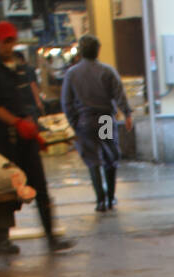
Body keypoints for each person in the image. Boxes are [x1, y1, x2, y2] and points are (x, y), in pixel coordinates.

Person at [0, 21, 73, 253]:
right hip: (5, 138)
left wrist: (32, 124)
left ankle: (51, 237)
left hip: (26, 137)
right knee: (6, 190)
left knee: (40, 187)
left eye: (12, 40)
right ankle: (2, 240)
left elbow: (29, 100)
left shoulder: (21, 66)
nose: (9, 45)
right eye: (5, 41)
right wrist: (16, 122)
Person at [61, 34, 132, 212]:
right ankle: (111, 197)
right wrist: (127, 113)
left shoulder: (72, 74)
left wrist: (74, 122)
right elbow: (119, 94)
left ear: (80, 51)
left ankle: (100, 199)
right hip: (105, 119)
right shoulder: (107, 71)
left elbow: (66, 102)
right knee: (110, 156)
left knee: (93, 159)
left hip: (85, 121)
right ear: (97, 51)